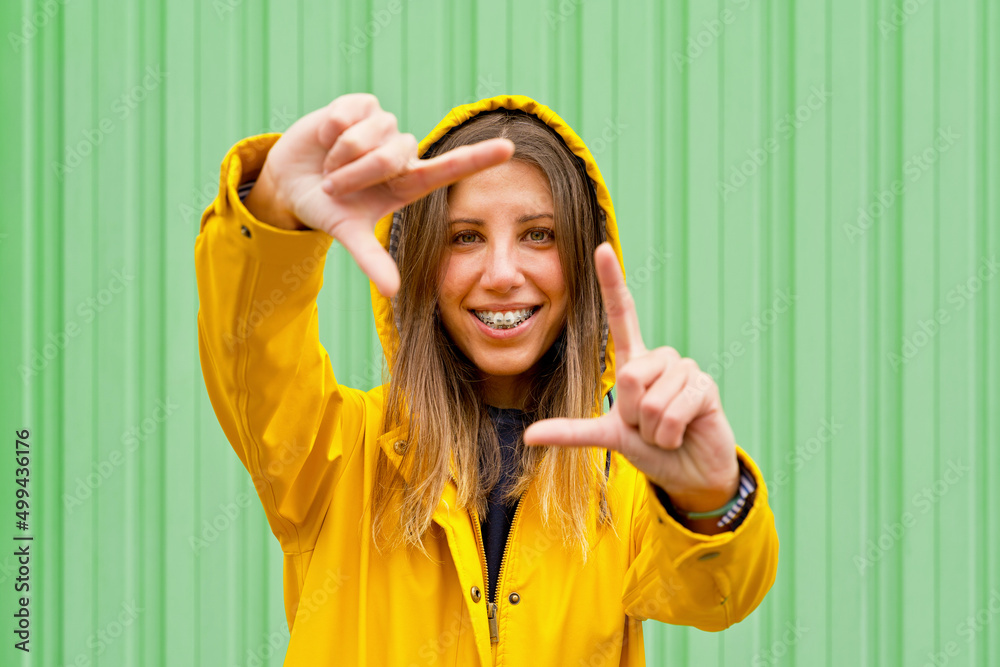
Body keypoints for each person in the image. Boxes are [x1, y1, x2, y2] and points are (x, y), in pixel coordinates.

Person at [194, 92, 778, 666]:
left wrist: (707, 497)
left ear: (582, 262)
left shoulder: (625, 482)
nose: (501, 274)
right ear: (421, 263)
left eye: (539, 234)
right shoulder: (336, 458)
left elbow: (714, 596)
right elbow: (252, 349)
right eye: (465, 237)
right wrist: (274, 214)